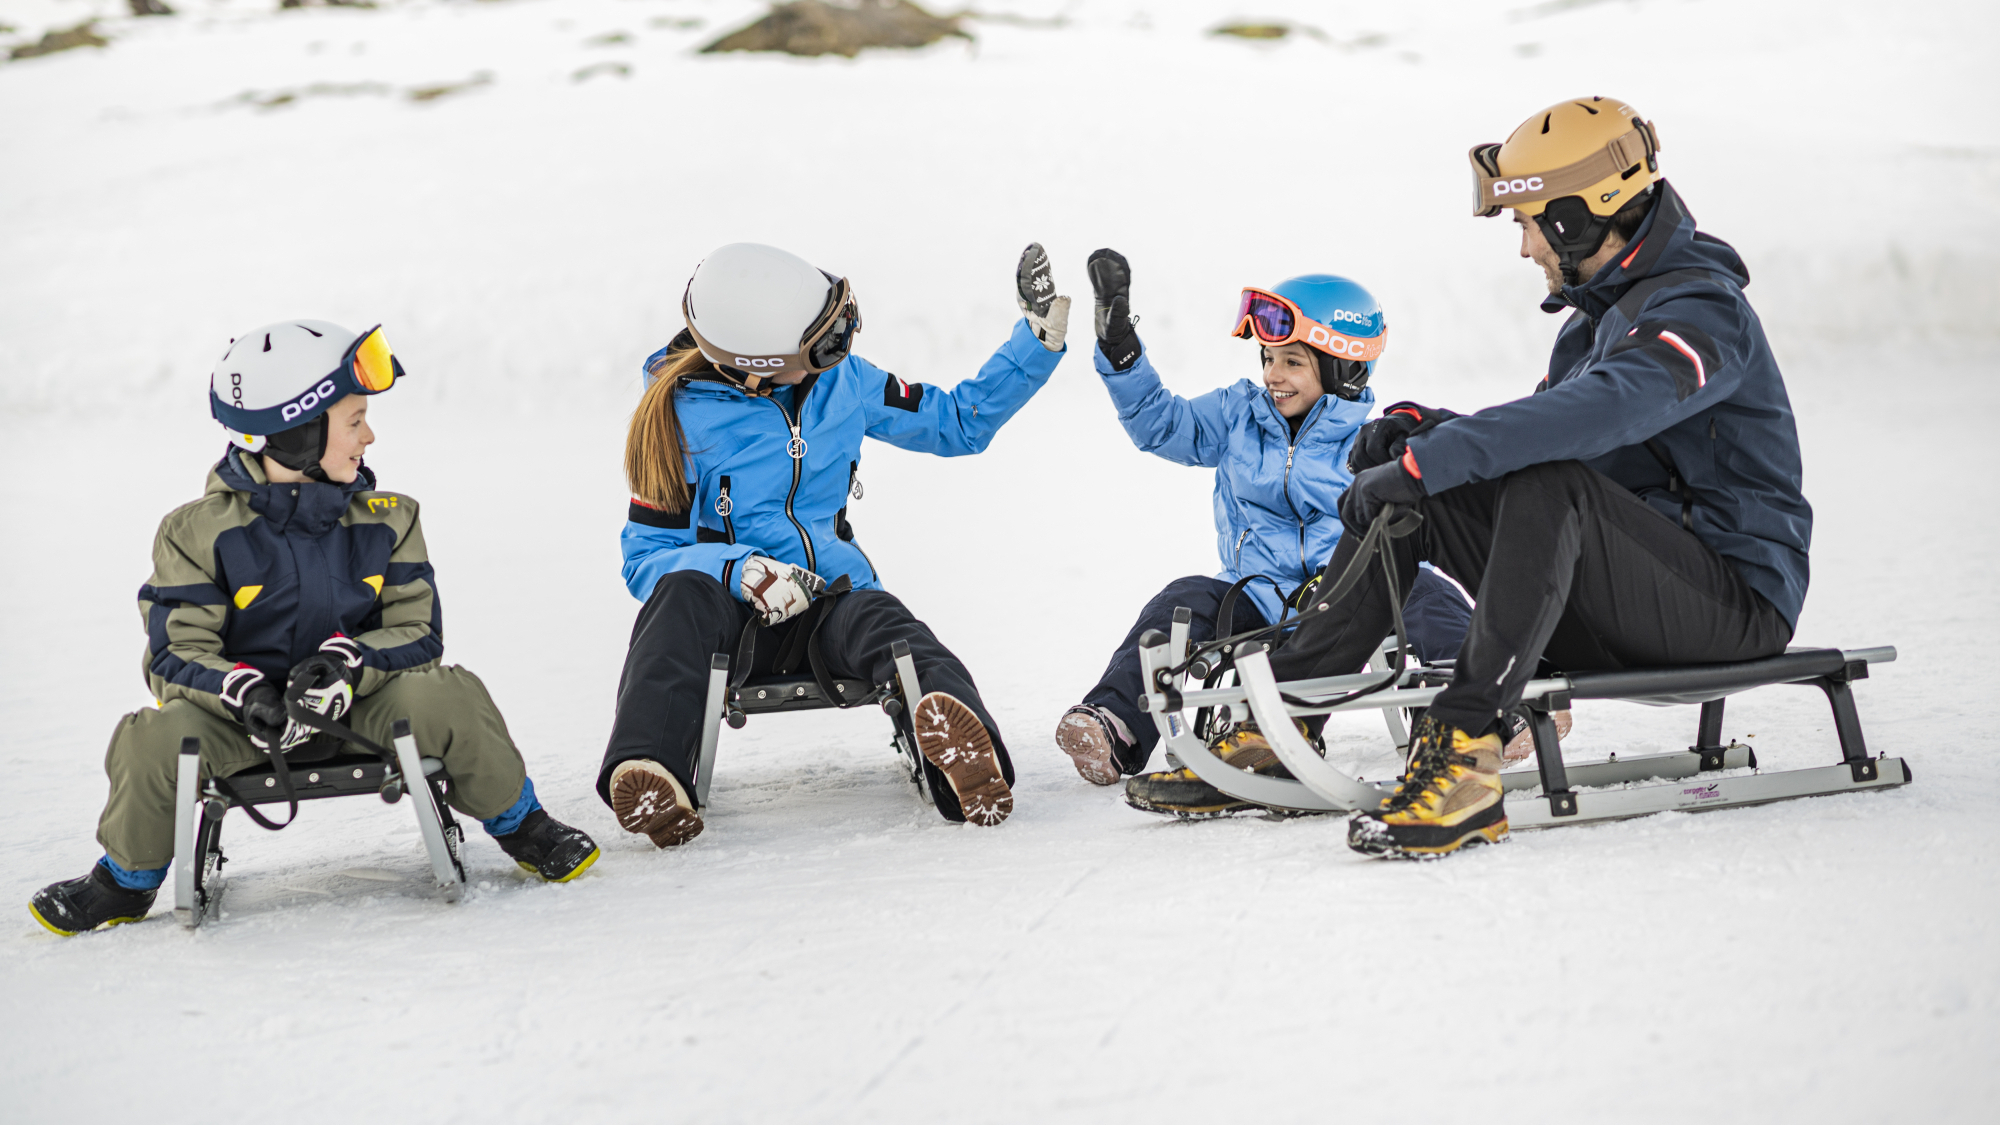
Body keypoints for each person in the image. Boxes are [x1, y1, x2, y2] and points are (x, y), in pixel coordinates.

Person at [1242, 97, 1810, 858]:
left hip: (1731, 605)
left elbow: (1596, 417)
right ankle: (1284, 714)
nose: (1525, 249)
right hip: (1627, 600)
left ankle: (1468, 750)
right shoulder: (1595, 321)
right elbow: (1547, 431)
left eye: (1529, 223)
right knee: (1432, 491)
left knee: (1542, 482)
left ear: (1577, 218)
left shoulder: (1702, 311)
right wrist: (1424, 434)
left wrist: (1430, 459)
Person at [30, 321, 600, 935]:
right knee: (151, 736)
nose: (369, 435)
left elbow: (418, 630)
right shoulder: (194, 531)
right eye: (353, 421)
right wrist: (243, 692)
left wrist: (349, 665)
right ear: (296, 432)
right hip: (243, 728)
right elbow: (175, 651)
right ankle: (123, 880)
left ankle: (523, 825)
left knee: (450, 692)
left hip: (362, 711)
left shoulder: (389, 518)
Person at [600, 242, 1070, 845]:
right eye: (823, 347)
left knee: (889, 623)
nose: (839, 354)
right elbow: (647, 559)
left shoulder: (841, 384)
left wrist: (1037, 341)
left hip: (828, 600)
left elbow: (956, 422)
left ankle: (964, 761)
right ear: (756, 364)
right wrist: (740, 571)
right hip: (726, 616)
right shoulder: (679, 419)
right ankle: (651, 769)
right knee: (675, 604)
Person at [1055, 251, 1476, 817]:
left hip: (1349, 591)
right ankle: (1116, 723)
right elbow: (1161, 423)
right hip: (1254, 590)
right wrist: (1120, 349)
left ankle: (1475, 708)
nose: (1273, 375)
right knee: (1181, 600)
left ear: (1342, 368)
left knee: (1424, 590)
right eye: (1268, 358)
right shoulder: (1238, 415)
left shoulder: (1375, 441)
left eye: (1293, 362)